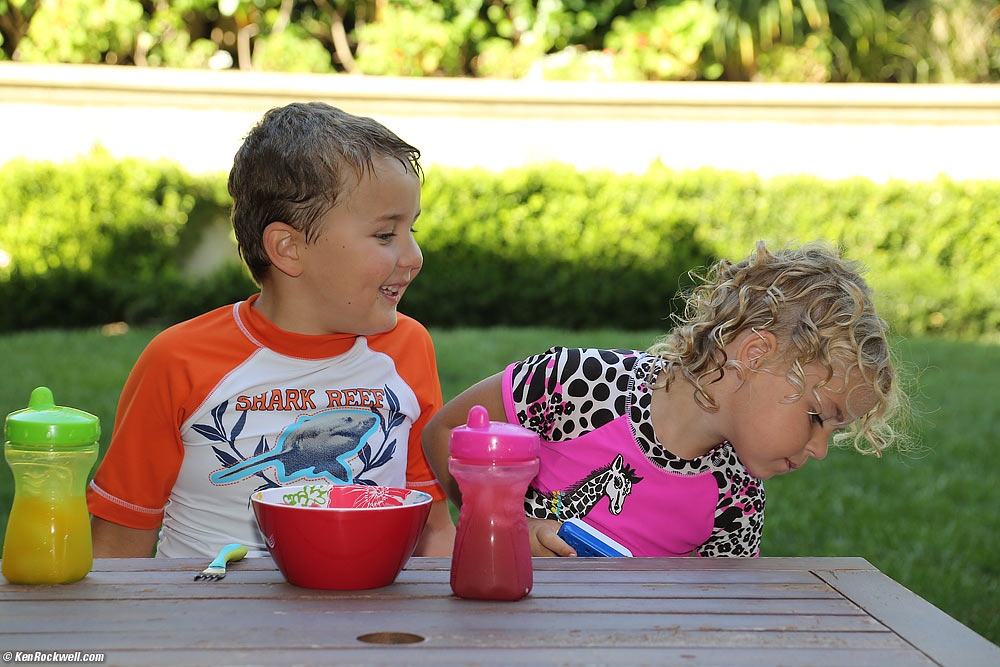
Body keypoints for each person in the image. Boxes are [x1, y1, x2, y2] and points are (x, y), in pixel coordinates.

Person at [88, 102, 456, 558]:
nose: (414, 256)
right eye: (386, 235)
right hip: (204, 624)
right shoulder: (179, 359)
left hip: (361, 626)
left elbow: (432, 529)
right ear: (288, 248)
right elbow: (118, 542)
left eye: (412, 230)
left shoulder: (407, 348)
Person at [422, 241, 905, 558]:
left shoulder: (736, 498)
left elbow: (712, 624)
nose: (820, 448)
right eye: (819, 417)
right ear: (754, 356)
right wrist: (498, 531)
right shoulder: (580, 383)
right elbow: (446, 433)